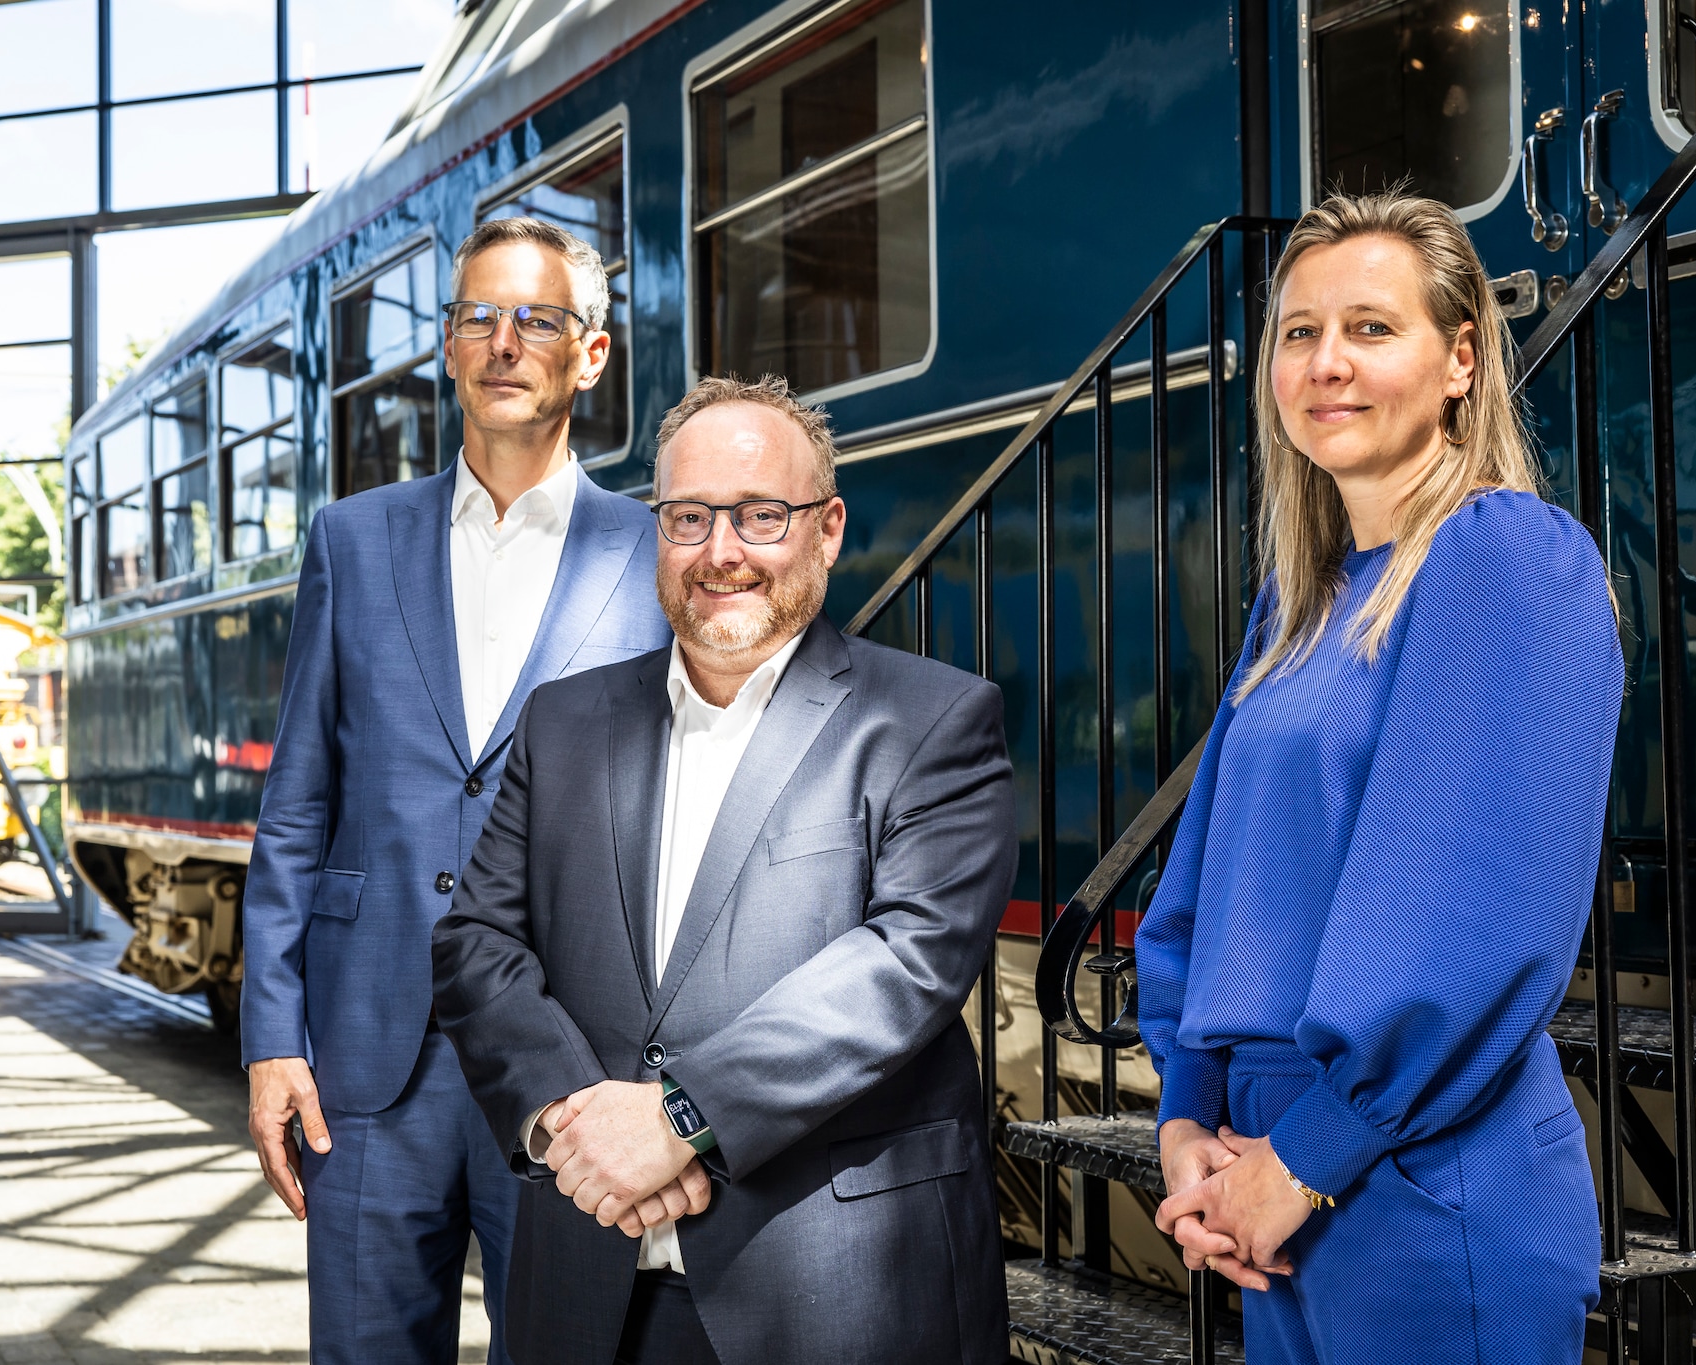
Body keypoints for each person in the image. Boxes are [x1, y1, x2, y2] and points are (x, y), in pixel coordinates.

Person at [429, 375, 1014, 1365]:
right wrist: (583, 1134)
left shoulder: (930, 721)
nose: (721, 552)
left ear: (825, 530)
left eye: (760, 515)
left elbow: (906, 962)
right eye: (688, 517)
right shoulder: (563, 724)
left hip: (828, 1296)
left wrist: (679, 1119)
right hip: (587, 1282)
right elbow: (477, 942)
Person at [1132, 189, 1623, 1364]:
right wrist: (1187, 1116)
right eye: (1298, 333)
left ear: (1459, 358)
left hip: (1413, 1175)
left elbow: (1474, 916)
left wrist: (1309, 1153)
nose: (1325, 364)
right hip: (1269, 1163)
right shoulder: (1297, 602)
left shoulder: (1504, 555)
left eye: (1369, 328)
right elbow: (1209, 880)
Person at [240, 217, 672, 1364]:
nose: (501, 341)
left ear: (590, 354)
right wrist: (271, 1038)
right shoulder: (352, 538)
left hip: (567, 1062)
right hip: (367, 1062)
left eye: (535, 318)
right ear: (446, 346)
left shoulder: (651, 553)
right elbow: (296, 808)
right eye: (476, 315)